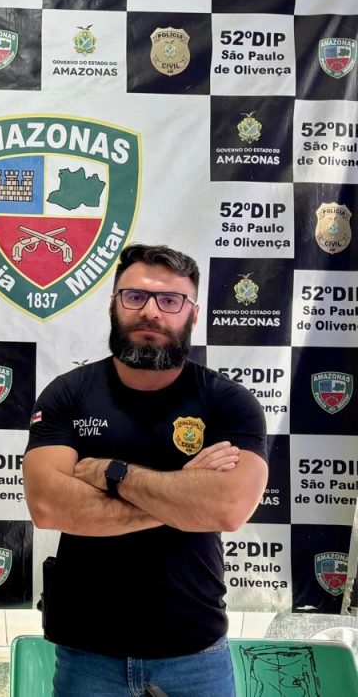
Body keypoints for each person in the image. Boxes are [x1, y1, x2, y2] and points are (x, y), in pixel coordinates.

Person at [24, 244, 268, 697]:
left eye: (170, 300)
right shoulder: (68, 394)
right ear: (113, 305)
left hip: (195, 654)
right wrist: (186, 498)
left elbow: (229, 508)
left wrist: (111, 474)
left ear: (193, 314)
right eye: (134, 296)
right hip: (87, 656)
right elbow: (48, 506)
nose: (151, 312)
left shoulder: (228, 402)